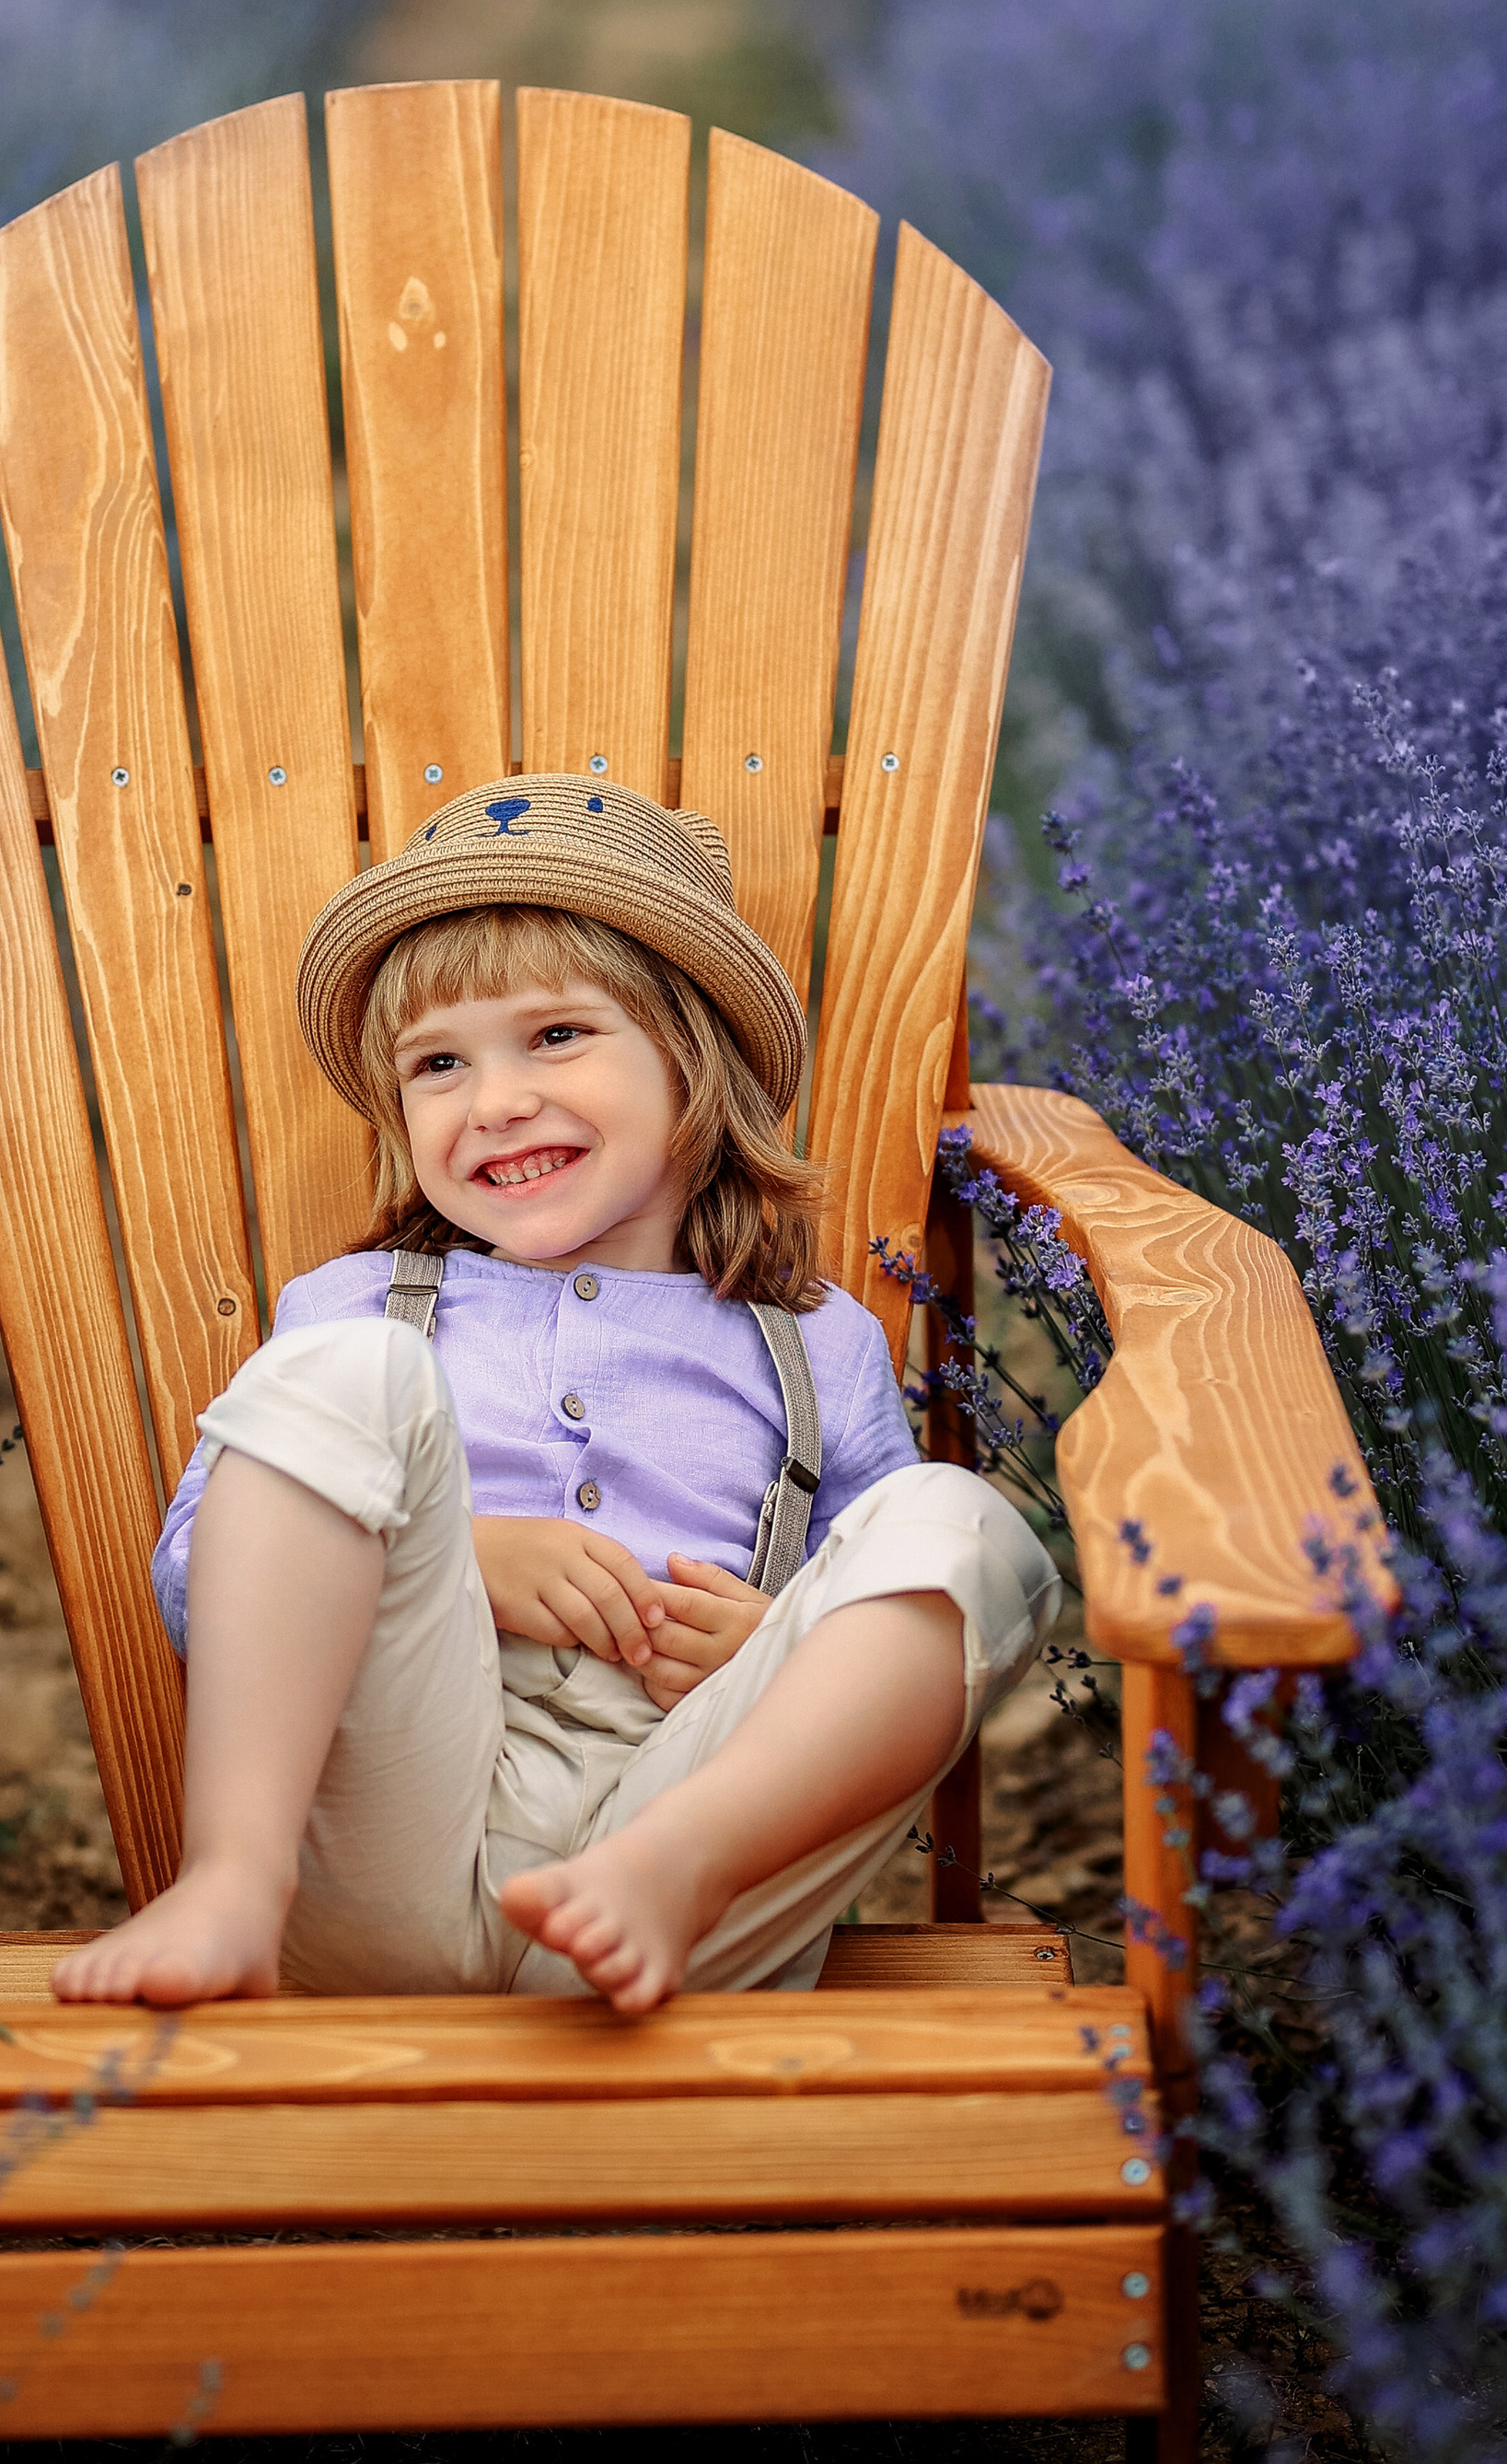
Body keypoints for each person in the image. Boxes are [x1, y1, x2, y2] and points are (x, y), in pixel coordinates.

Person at [53, 775, 1058, 2016]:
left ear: (696, 1059)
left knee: (967, 1532)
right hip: (392, 1832)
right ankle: (232, 1883)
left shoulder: (819, 1344)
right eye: (437, 1063)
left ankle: (666, 1873)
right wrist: (461, 1554)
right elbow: (199, 1573)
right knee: (340, 1381)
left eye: (556, 1035)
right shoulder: (358, 1307)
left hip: (692, 1829)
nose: (495, 1101)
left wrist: (780, 1647)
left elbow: (895, 1604)